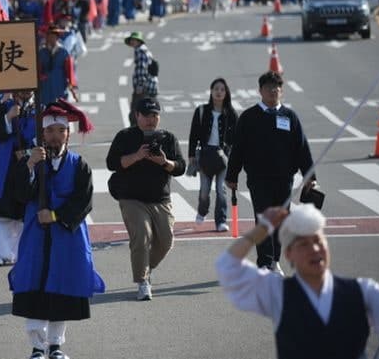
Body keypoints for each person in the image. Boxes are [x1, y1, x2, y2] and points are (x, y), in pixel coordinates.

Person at [216, 203, 379, 359]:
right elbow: (228, 267)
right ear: (288, 254)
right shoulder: (278, 292)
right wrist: (262, 229)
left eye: (318, 241)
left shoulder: (360, 291)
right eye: (304, 245)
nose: (315, 249)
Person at [8, 99, 104, 359]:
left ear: (67, 133)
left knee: (63, 286)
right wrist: (29, 165)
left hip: (66, 234)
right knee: (35, 284)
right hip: (36, 234)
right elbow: (19, 194)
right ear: (42, 133)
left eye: (60, 130)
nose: (54, 136)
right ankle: (37, 347)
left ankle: (55, 345)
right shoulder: (31, 160)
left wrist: (54, 215)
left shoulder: (79, 164)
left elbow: (83, 201)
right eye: (49, 131)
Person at [225, 71, 318, 273]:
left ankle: (274, 259)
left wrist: (309, 175)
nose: (273, 91)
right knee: (264, 219)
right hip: (258, 178)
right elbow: (238, 148)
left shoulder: (289, 116)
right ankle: (265, 262)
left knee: (282, 220)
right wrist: (232, 175)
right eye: (268, 88)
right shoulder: (249, 117)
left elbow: (302, 147)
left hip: (284, 178)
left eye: (276, 87)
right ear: (260, 91)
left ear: (281, 91)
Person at [106, 97, 185, 301]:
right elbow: (112, 163)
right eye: (147, 115)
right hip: (131, 197)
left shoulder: (167, 138)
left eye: (155, 115)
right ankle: (142, 282)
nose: (151, 120)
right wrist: (136, 156)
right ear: (137, 115)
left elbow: (181, 167)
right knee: (141, 235)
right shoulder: (125, 136)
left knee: (166, 240)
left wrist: (165, 162)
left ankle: (145, 269)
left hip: (160, 198)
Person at [0, 90, 36, 265]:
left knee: (23, 213)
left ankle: (20, 252)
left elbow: (38, 137)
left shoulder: (39, 108)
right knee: (1, 213)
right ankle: (2, 253)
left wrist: (28, 152)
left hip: (26, 162)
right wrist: (7, 117)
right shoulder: (4, 105)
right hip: (5, 164)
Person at [187, 78, 238, 232]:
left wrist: (234, 157)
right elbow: (193, 134)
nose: (219, 92)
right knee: (204, 190)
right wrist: (191, 155)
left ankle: (221, 221)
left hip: (224, 157)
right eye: (216, 88)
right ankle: (202, 211)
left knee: (221, 190)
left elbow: (237, 138)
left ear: (226, 92)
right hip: (205, 155)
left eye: (222, 89)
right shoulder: (201, 111)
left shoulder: (231, 114)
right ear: (211, 91)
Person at [37, 24, 77, 107]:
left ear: (57, 38)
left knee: (60, 106)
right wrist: (41, 77)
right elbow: (38, 69)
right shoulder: (42, 52)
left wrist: (72, 87)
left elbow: (69, 70)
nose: (51, 38)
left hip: (59, 82)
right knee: (46, 107)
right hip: (46, 85)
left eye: (53, 36)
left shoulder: (63, 52)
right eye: (49, 36)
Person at [124, 31, 158, 127]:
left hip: (143, 87)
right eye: (131, 40)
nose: (132, 42)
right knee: (146, 109)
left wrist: (140, 86)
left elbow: (142, 69)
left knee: (136, 110)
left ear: (139, 41)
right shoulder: (144, 50)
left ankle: (135, 130)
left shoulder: (140, 51)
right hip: (149, 85)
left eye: (134, 40)